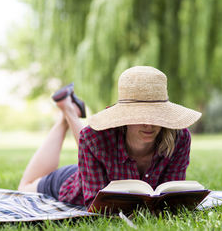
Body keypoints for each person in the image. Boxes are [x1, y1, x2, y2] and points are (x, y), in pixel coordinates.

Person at [18, 66, 202, 208]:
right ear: (125, 117)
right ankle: (67, 111)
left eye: (156, 116)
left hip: (92, 168)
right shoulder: (94, 137)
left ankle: (68, 111)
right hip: (72, 183)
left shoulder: (180, 138)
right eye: (140, 116)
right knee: (24, 188)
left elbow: (173, 194)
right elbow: (94, 202)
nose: (149, 124)